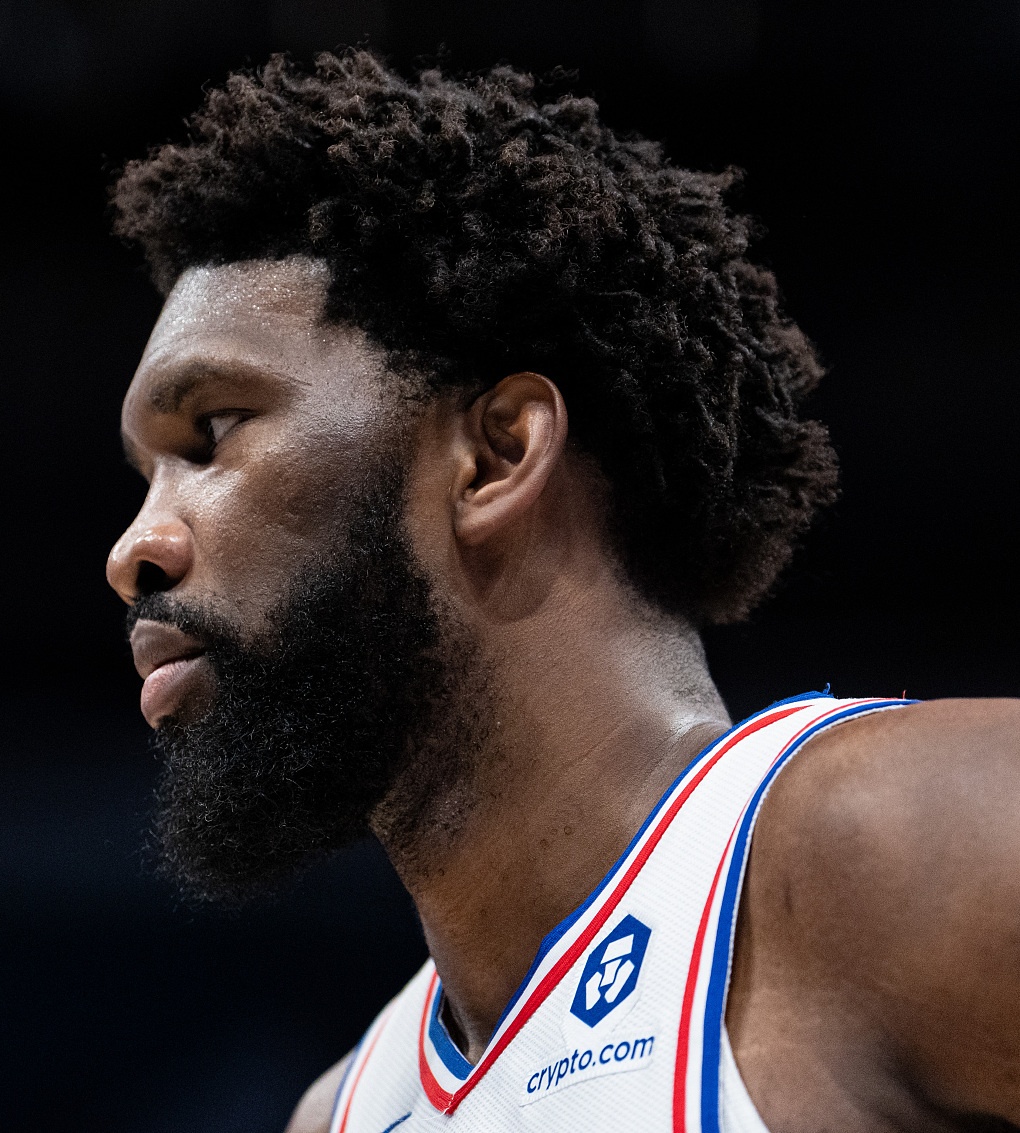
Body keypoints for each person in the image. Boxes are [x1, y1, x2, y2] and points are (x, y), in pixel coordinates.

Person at [102, 50, 1020, 1133]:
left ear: (495, 455)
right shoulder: (343, 1109)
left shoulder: (912, 835)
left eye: (211, 433)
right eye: (144, 475)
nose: (134, 548)